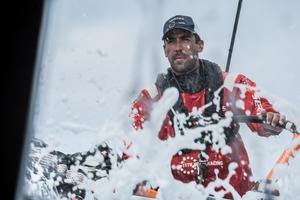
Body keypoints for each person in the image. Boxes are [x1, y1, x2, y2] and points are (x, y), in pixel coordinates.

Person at [130, 15, 287, 199]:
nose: (178, 47)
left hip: (237, 195)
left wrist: (271, 120)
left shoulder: (229, 84)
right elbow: (128, 141)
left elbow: (261, 111)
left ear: (200, 45)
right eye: (171, 41)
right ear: (165, 50)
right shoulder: (152, 97)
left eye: (186, 39)